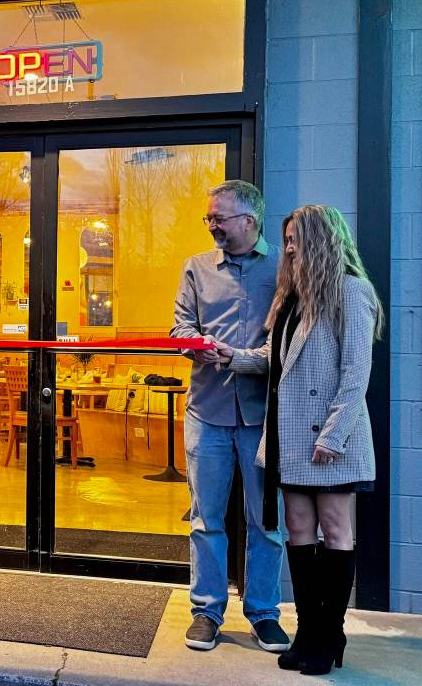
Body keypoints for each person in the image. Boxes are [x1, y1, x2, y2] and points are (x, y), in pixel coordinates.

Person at [213, 205, 381, 675]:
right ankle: (308, 631)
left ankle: (329, 634)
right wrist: (231, 356)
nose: (289, 248)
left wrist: (333, 435)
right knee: (298, 527)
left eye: (297, 240)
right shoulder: (291, 298)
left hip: (330, 438)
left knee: (336, 529)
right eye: (287, 240)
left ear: (323, 241)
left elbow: (356, 373)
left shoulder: (352, 291)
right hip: (290, 436)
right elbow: (274, 359)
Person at [170, 180, 289, 653]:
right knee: (206, 520)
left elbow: (287, 345)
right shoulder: (196, 268)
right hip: (207, 411)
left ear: (249, 220)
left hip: (264, 419)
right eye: (209, 218)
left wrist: (238, 358)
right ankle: (206, 612)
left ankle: (264, 613)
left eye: (218, 218)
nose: (212, 225)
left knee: (266, 523)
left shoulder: (285, 267)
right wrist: (196, 346)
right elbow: (180, 326)